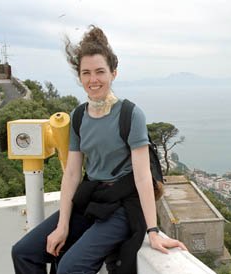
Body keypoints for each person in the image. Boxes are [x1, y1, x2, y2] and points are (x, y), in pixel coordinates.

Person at [11, 25, 187, 274]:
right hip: (92, 199)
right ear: (80, 77)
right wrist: (62, 225)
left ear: (113, 73)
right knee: (24, 253)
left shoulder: (130, 114)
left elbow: (142, 176)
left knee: (70, 268)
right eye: (86, 73)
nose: (93, 80)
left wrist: (153, 231)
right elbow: (72, 174)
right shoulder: (79, 117)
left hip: (122, 206)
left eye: (100, 72)